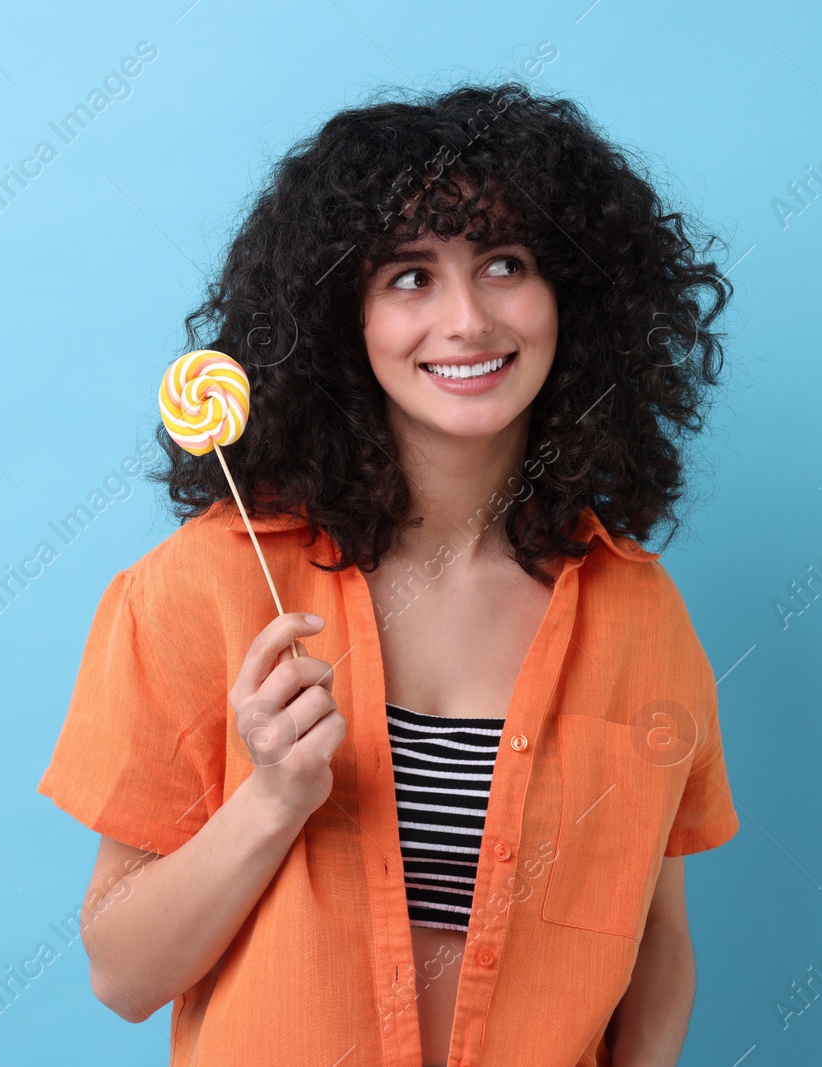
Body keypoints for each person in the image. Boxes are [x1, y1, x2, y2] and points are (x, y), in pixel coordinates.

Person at [38, 79, 741, 1067]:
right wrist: (272, 797)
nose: (464, 320)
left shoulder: (636, 610)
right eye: (409, 276)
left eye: (504, 263)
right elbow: (123, 974)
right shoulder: (207, 586)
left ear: (574, 297)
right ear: (342, 315)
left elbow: (659, 933)